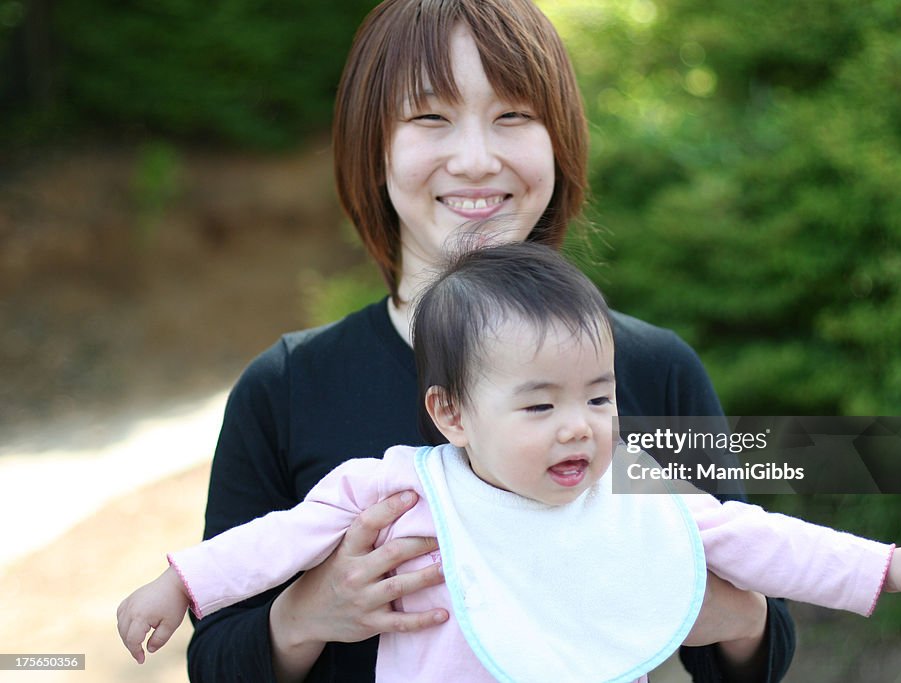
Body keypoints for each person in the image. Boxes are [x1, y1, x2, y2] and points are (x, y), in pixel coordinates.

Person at [187, 1, 798, 681]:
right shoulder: (288, 388)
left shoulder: (655, 371)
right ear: (373, 146)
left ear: (559, 141)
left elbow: (755, 641)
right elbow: (213, 659)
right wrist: (308, 612)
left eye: (513, 116)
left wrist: (731, 612)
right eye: (430, 118)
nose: (476, 160)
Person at [119, 243, 901, 682]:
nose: (579, 430)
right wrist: (181, 584)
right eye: (540, 405)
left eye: (599, 398)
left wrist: (880, 565)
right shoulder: (395, 480)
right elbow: (273, 540)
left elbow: (759, 538)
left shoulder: (643, 472)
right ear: (450, 413)